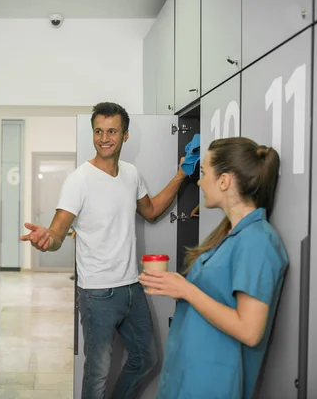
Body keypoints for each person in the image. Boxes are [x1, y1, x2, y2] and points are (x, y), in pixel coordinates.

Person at [20, 102, 187, 398]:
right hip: (97, 293)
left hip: (131, 287)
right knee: (96, 375)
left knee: (146, 358)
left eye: (112, 131)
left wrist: (181, 174)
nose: (104, 137)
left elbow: (151, 211)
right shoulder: (79, 180)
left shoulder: (131, 174)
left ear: (125, 135)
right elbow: (58, 234)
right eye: (98, 131)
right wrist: (46, 239)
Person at [139, 137, 289, 399]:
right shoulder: (228, 234)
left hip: (212, 382)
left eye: (204, 173)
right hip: (189, 374)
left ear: (225, 181)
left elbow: (249, 331)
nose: (199, 181)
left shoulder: (257, 242)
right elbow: (216, 295)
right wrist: (176, 287)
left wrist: (186, 290)